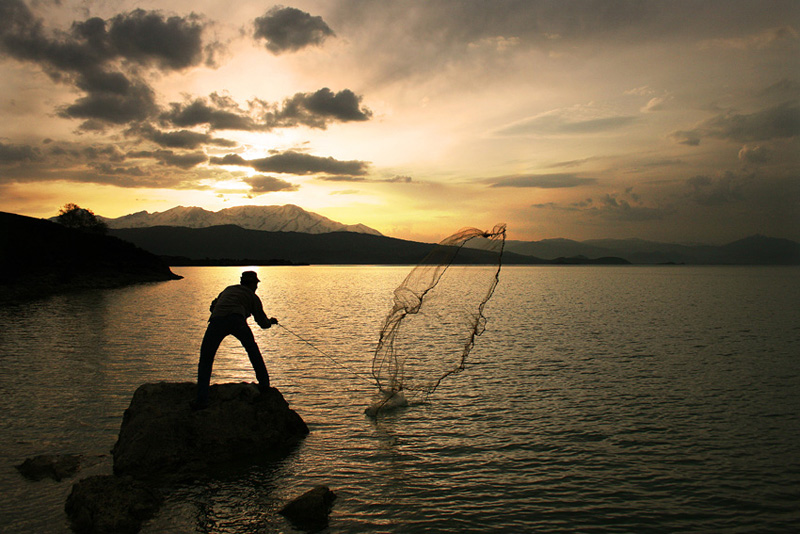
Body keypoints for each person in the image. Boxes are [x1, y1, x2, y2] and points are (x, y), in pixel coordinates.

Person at [194, 271, 278, 409]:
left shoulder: (228, 289)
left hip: (216, 320)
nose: (256, 286)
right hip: (236, 319)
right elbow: (262, 323)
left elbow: (213, 306)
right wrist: (271, 322)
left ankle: (202, 400)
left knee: (206, 359)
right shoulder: (252, 296)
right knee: (253, 351)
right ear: (252, 284)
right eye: (256, 284)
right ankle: (264, 385)